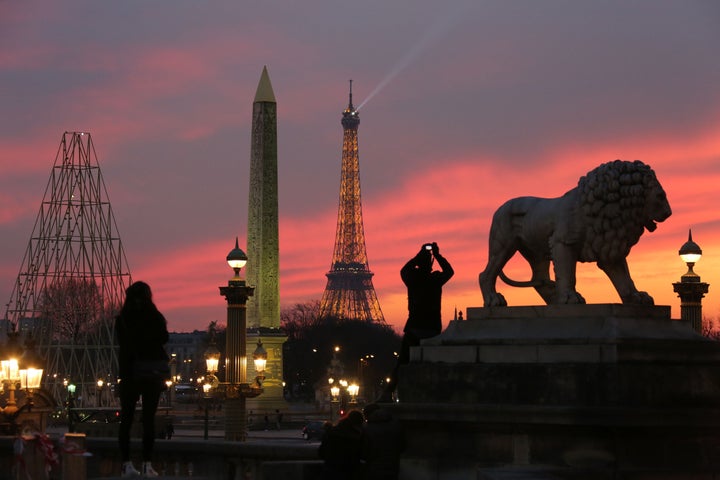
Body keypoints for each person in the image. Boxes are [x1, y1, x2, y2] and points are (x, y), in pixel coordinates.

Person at [381, 242, 453, 401]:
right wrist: (438, 255)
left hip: (414, 327)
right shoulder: (435, 279)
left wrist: (417, 257)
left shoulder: (413, 278)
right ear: (431, 264)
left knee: (402, 362)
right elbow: (449, 271)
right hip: (432, 328)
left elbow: (404, 270)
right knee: (433, 363)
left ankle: (388, 392)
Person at [116, 281, 170, 478]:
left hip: (130, 372)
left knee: (126, 419)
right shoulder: (155, 316)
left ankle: (126, 464)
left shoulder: (122, 319)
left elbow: (122, 345)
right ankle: (147, 464)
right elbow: (164, 338)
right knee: (148, 419)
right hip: (151, 372)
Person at [361, 404, 406, 480]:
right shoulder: (396, 425)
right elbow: (403, 446)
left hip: (374, 468)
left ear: (368, 415)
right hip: (393, 466)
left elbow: (364, 451)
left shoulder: (368, 428)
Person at [318, 410, 365, 480]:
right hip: (350, 472)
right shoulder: (357, 437)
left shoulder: (331, 433)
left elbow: (321, 453)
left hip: (330, 470)